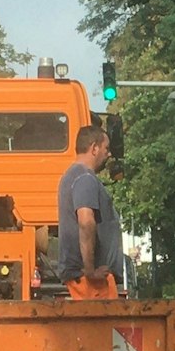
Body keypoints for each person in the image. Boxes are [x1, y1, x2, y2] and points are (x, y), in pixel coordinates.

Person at [58, 124, 124, 299]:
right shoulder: (84, 178)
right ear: (94, 148)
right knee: (104, 326)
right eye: (106, 148)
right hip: (92, 284)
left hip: (89, 280)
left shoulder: (74, 176)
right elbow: (86, 222)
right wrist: (90, 270)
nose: (109, 154)